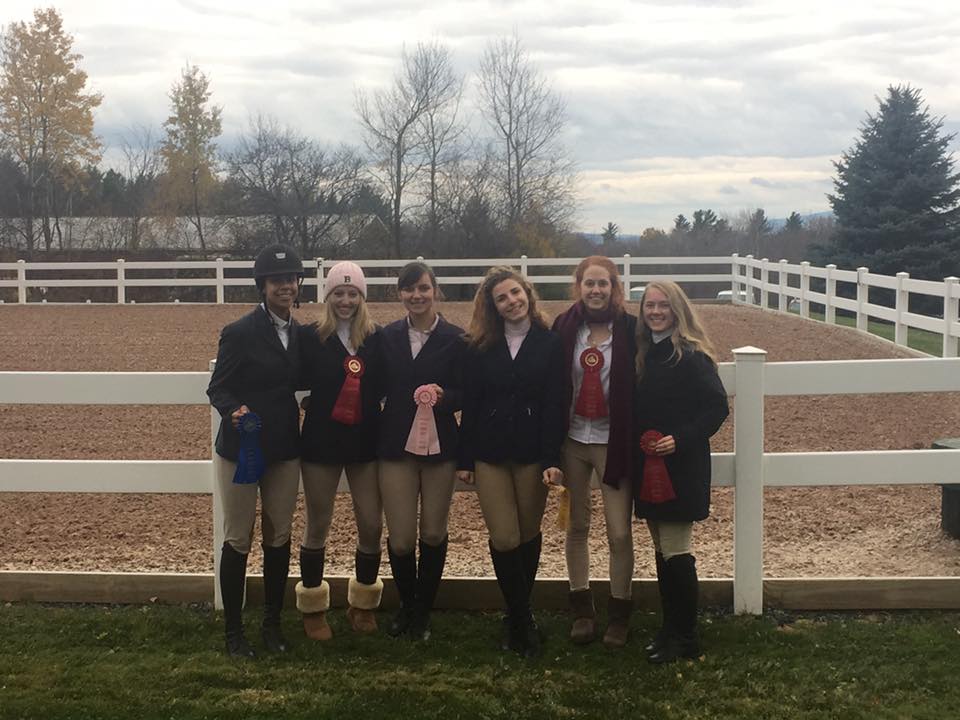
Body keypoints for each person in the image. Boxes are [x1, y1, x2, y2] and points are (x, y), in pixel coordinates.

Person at [457, 266, 565, 658]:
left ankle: (516, 618)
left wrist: (552, 458)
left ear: (528, 294)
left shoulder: (550, 345)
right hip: (489, 453)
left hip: (533, 455)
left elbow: (556, 405)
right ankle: (523, 620)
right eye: (502, 298)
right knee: (504, 537)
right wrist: (464, 456)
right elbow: (471, 404)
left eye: (515, 293)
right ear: (493, 306)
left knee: (527, 535)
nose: (511, 302)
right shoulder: (479, 346)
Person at [206, 243, 305, 658]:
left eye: (290, 279)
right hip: (242, 450)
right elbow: (218, 388)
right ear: (263, 285)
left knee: (279, 536)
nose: (285, 286)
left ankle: (271, 625)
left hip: (283, 449)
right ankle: (233, 633)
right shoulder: (239, 332)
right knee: (238, 538)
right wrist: (235, 411)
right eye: (276, 280)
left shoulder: (302, 334)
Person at [633, 280, 729, 663]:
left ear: (677, 310)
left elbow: (716, 408)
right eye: (649, 306)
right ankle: (670, 628)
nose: (655, 312)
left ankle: (686, 636)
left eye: (663, 306)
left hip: (680, 468)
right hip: (648, 467)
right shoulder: (644, 353)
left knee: (676, 551)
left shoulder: (691, 356)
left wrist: (681, 438)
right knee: (661, 550)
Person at [551, 255, 637, 647]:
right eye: (590, 283)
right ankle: (582, 608)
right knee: (577, 526)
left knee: (619, 532)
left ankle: (620, 612)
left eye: (603, 284)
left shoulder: (631, 331)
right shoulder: (565, 328)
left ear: (614, 287)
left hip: (612, 441)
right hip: (572, 441)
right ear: (579, 286)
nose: (596, 290)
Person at [377, 261, 465, 640]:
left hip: (441, 447)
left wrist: (445, 398)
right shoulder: (386, 337)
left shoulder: (458, 339)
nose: (416, 295)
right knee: (399, 537)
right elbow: (370, 384)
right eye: (409, 289)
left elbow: (469, 392)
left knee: (432, 532)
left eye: (423, 288)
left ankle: (423, 612)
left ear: (436, 291)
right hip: (395, 446)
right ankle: (406, 605)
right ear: (400, 294)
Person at [297, 261, 384, 640]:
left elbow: (383, 386)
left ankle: (362, 603)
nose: (345, 300)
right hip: (321, 441)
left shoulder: (377, 338)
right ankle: (313, 607)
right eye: (338, 294)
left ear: (361, 297)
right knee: (318, 523)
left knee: (370, 523)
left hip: (365, 442)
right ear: (328, 296)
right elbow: (295, 380)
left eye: (352, 294)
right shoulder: (310, 337)